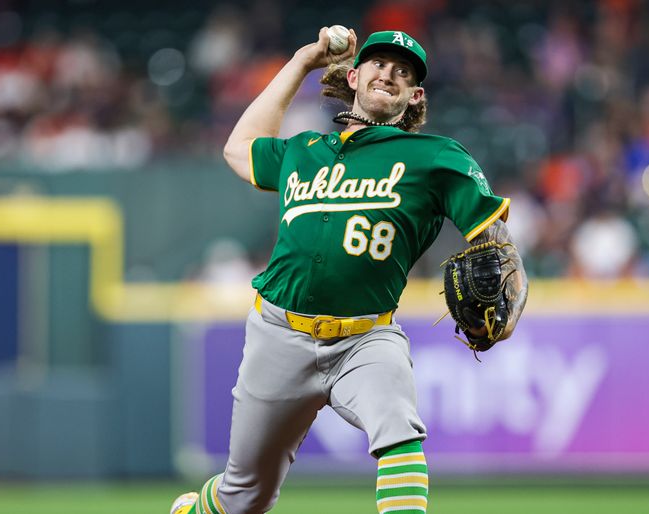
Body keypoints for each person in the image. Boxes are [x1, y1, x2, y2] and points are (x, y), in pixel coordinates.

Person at [173, 27, 528, 514]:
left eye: (403, 71)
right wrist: (301, 61)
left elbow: (497, 243)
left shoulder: (436, 157)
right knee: (244, 496)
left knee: (400, 434)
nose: (390, 73)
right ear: (355, 76)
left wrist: (512, 305)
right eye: (380, 64)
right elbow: (239, 148)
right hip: (277, 334)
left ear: (414, 95)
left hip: (366, 339)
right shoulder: (303, 150)